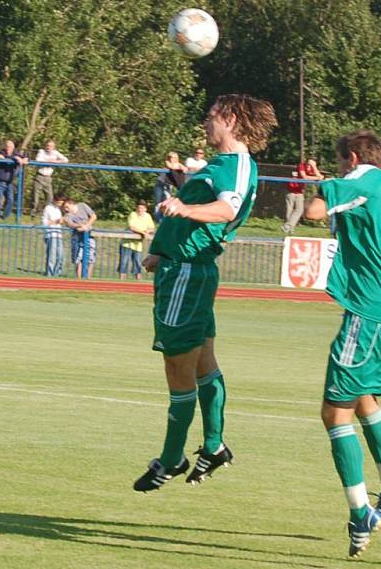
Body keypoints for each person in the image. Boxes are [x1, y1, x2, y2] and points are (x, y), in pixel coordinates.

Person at [133, 93, 277, 493]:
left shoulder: (237, 165)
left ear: (230, 119)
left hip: (188, 275)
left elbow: (226, 210)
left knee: (177, 368)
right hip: (179, 267)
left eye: (211, 116)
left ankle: (172, 457)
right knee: (202, 364)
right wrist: (162, 249)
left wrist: (184, 209)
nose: (205, 123)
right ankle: (213, 447)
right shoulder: (220, 164)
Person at [304, 130, 381, 559]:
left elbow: (316, 210)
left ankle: (360, 512)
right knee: (366, 400)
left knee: (334, 411)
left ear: (351, 158)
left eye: (340, 164)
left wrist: (323, 188)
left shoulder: (363, 181)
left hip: (367, 316)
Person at [281, 158, 323, 234]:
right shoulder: (301, 166)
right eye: (309, 165)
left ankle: (287, 226)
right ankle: (289, 228)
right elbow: (304, 177)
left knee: (299, 210)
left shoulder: (310, 169)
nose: (309, 167)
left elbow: (320, 177)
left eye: (311, 166)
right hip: (291, 191)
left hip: (299, 192)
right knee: (289, 210)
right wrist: (316, 177)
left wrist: (314, 167)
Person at [119, 200, 155, 280]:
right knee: (124, 263)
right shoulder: (133, 214)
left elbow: (152, 228)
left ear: (145, 209)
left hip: (138, 244)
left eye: (142, 208)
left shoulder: (147, 216)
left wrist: (147, 231)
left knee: (137, 263)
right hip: (127, 243)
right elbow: (132, 227)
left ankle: (138, 281)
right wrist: (143, 233)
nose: (140, 210)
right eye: (138, 208)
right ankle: (121, 281)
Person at [62, 197, 97, 278]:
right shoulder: (68, 215)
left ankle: (88, 278)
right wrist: (80, 225)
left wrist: (87, 225)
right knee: (79, 259)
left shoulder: (82, 206)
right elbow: (70, 224)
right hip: (78, 237)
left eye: (67, 207)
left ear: (72, 204)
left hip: (89, 236)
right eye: (64, 208)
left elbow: (93, 216)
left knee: (90, 258)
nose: (66, 209)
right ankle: (79, 279)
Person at [32, 140, 68, 217]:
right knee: (36, 197)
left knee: (50, 197)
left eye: (51, 146)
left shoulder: (55, 153)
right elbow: (38, 160)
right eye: (47, 145)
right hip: (40, 176)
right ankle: (33, 214)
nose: (49, 147)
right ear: (45, 146)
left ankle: (45, 213)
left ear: (54, 147)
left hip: (48, 178)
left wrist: (55, 161)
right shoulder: (41, 151)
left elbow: (66, 160)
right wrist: (48, 161)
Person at [0, 140, 28, 220]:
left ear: (13, 147)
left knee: (10, 200)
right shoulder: (2, 152)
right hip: (0, 180)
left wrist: (24, 159)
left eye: (10, 147)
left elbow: (24, 158)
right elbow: (1, 156)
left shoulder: (16, 153)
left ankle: (5, 216)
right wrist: (16, 158)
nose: (8, 148)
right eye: (7, 146)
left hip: (9, 181)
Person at [155, 152, 187, 222]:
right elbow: (171, 166)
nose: (173, 159)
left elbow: (185, 169)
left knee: (167, 199)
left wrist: (180, 167)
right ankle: (158, 219)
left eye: (175, 157)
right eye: (171, 157)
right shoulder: (167, 162)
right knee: (158, 201)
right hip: (160, 183)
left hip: (168, 184)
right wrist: (178, 167)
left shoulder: (178, 164)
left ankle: (164, 219)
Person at [42, 193, 65, 277]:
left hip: (59, 234)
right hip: (51, 234)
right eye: (59, 203)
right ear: (55, 201)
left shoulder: (58, 210)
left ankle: (57, 273)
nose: (60, 205)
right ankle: (50, 273)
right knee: (52, 255)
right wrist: (55, 221)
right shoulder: (48, 208)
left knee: (60, 255)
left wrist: (61, 221)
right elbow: (44, 223)